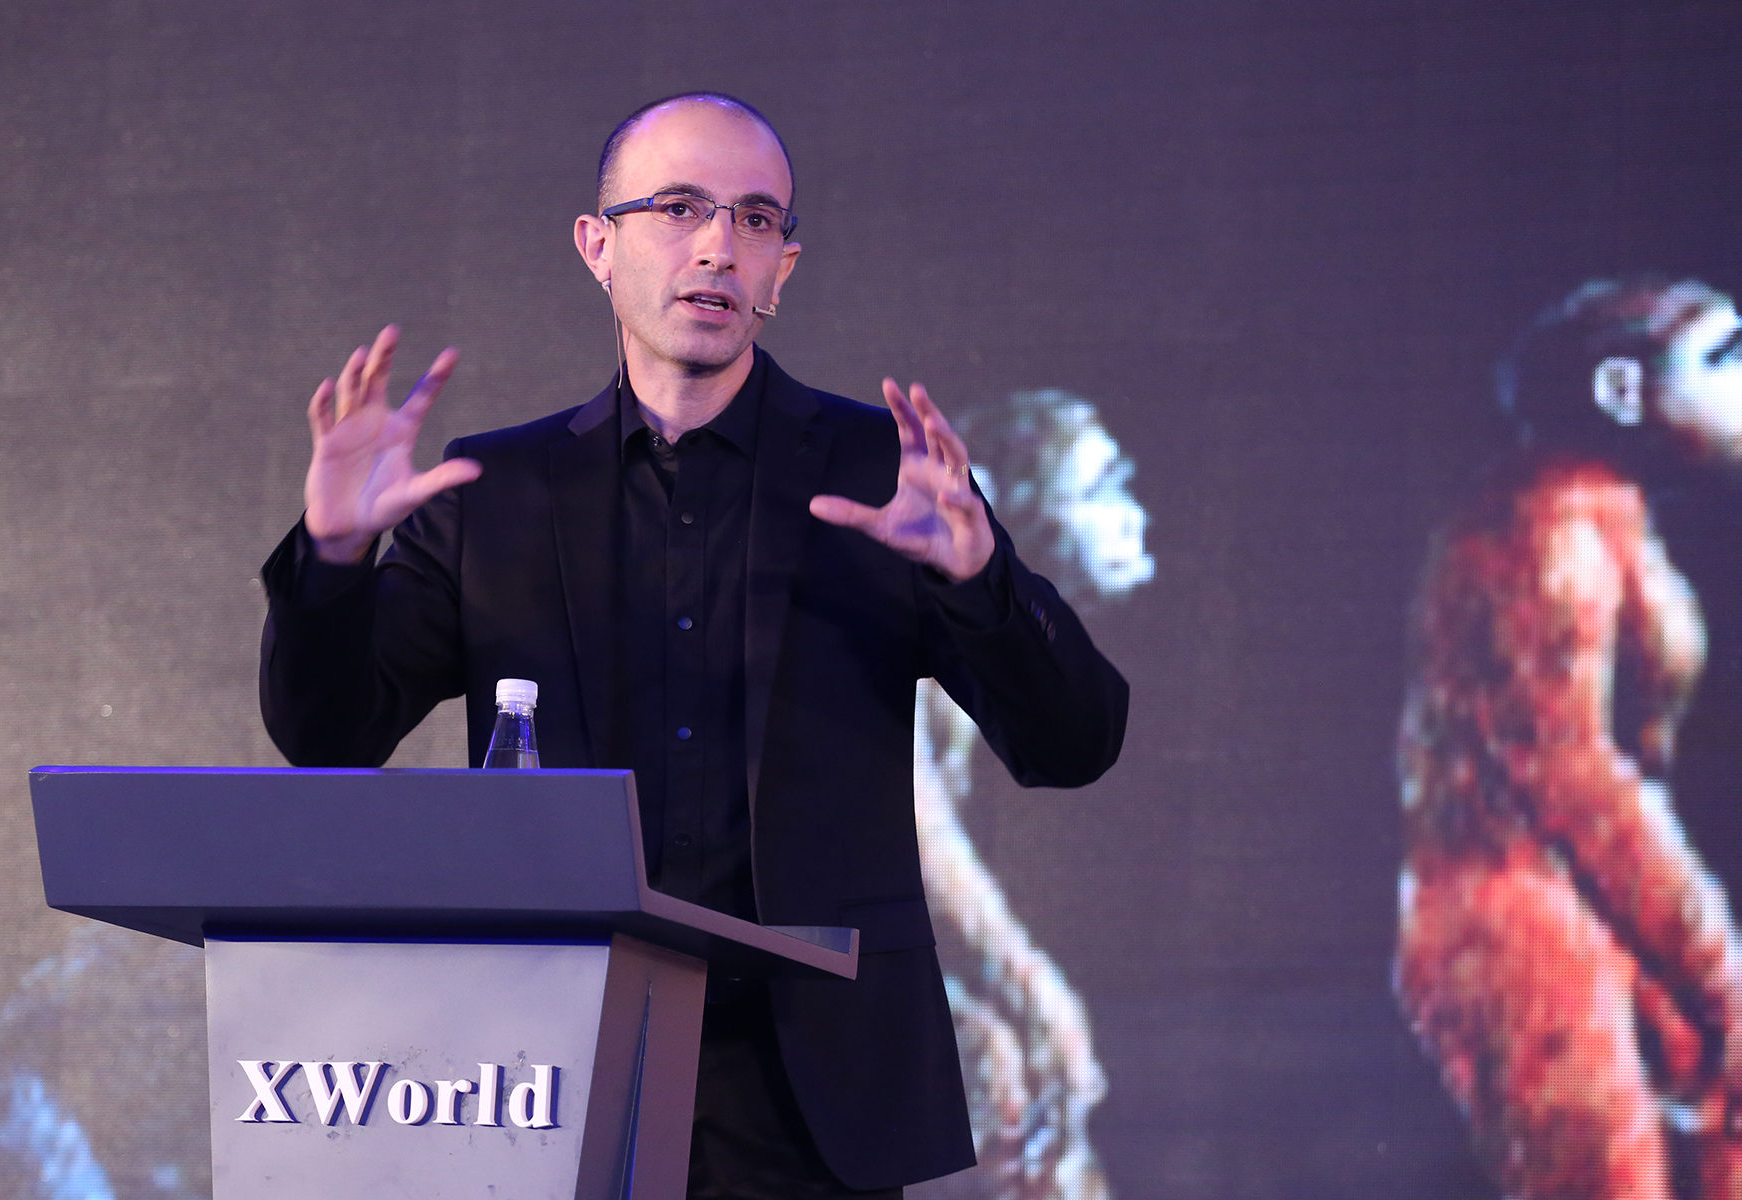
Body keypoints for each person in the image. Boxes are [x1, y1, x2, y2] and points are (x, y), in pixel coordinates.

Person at [259, 92, 1129, 1199]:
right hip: (552, 1073)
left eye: (756, 220)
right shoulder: (496, 494)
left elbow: (1075, 741)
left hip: (810, 1090)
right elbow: (326, 732)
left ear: (783, 269)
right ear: (598, 246)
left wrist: (980, 579)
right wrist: (333, 559)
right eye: (679, 208)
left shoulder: (882, 476)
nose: (718, 245)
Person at [1395, 276, 1742, 1199]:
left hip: (1591, 903)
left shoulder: (1603, 514)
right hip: (1521, 921)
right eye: (1725, 358)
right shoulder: (1548, 523)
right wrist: (1713, 963)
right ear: (1622, 392)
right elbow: (1571, 769)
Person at [915, 390, 1152, 1200]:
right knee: (992, 1061)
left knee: (1010, 1067)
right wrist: (1034, 986)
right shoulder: (920, 603)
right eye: (1104, 485)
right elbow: (919, 829)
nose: (1134, 515)